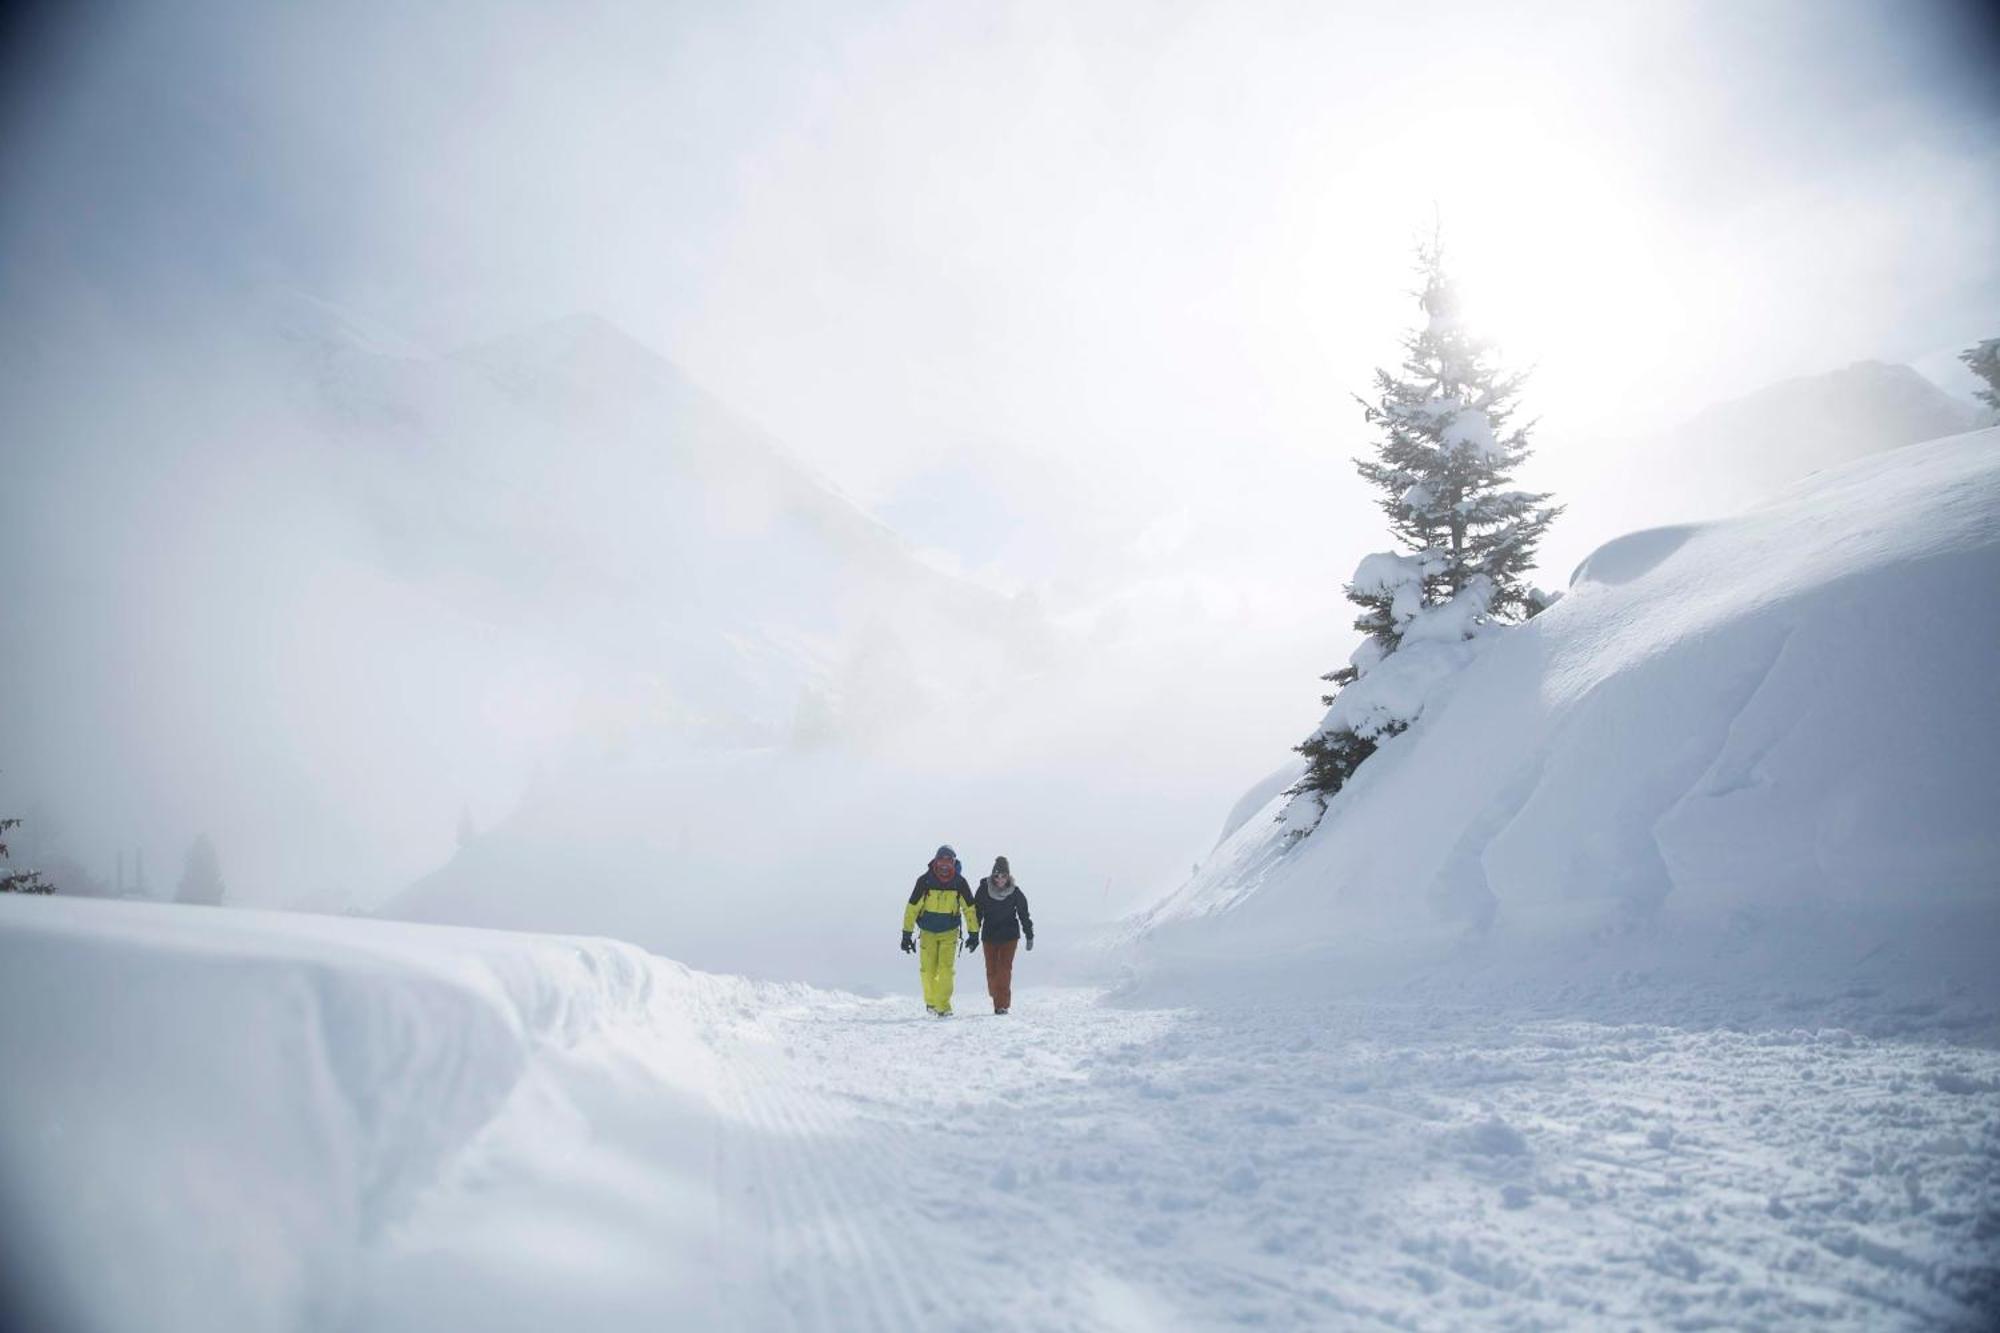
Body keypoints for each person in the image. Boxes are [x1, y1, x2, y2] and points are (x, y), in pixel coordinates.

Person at [900, 844, 979, 1016]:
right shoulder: (924, 881)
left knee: (946, 970)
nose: (944, 865)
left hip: (949, 933)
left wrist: (974, 933)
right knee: (927, 970)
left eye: (948, 861)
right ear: (935, 862)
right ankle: (931, 1003)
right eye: (941, 861)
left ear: (953, 863)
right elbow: (912, 908)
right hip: (927, 932)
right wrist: (906, 934)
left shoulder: (960, 883)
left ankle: (943, 1007)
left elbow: (970, 909)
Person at [972, 855, 1033, 1015]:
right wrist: (973, 934)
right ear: (993, 875)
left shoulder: (1015, 892)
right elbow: (976, 913)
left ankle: (1002, 1005)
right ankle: (996, 995)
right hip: (989, 936)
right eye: (997, 875)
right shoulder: (984, 890)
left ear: (1008, 876)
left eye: (1003, 876)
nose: (1000, 879)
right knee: (992, 972)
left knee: (1004, 970)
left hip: (1009, 936)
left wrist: (1029, 934)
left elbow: (1024, 914)